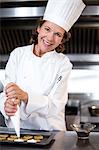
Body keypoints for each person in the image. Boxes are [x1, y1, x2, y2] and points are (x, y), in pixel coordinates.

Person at [0, 0, 85, 131]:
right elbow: (7, 91)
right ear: (39, 29)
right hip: (18, 130)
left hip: (50, 131)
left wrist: (26, 96)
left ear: (62, 39)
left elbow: (56, 105)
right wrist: (5, 105)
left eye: (57, 34)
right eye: (47, 29)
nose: (50, 38)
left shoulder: (63, 64)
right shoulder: (18, 54)